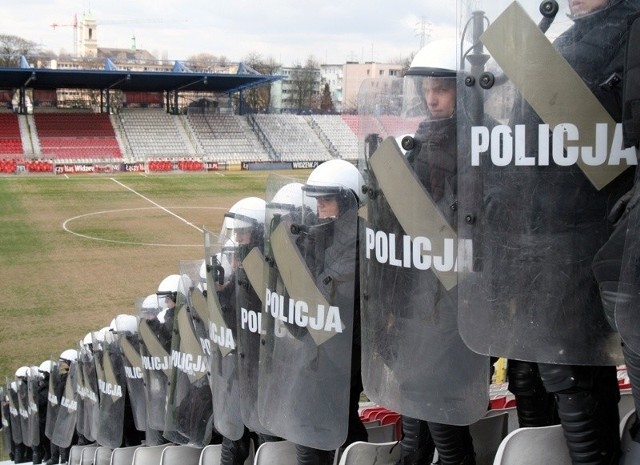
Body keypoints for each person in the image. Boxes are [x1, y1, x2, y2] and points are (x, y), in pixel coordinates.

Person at [456, 1, 640, 463]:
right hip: (546, 231)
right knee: (555, 372)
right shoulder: (567, 39)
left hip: (590, 235)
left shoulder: (629, 30)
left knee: (571, 372)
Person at [283, 159, 368, 465]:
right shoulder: (324, 238)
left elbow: (327, 299)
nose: (320, 210)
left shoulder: (356, 244)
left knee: (316, 433)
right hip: (325, 356)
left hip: (338, 356)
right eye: (317, 202)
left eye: (327, 201)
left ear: (347, 203)